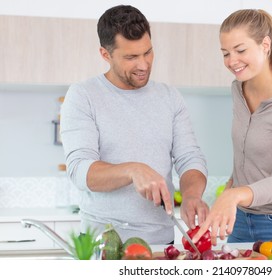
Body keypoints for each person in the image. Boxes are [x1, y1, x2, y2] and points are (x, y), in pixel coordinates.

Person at [60, 5, 209, 245]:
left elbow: (190, 157)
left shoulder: (169, 97)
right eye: (131, 57)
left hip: (161, 244)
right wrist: (132, 170)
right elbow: (80, 170)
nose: (143, 65)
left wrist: (192, 194)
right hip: (105, 245)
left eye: (148, 52)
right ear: (105, 54)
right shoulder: (83, 95)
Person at [193, 9, 272, 245]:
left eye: (240, 50)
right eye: (225, 53)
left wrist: (233, 195)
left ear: (265, 45)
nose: (231, 61)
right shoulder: (237, 90)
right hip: (241, 220)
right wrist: (223, 200)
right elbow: (244, 158)